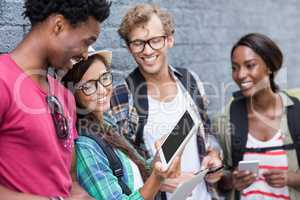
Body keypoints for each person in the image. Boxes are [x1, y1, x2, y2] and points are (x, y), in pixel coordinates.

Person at [0, 0, 111, 199]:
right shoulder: (3, 81)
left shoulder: (64, 95)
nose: (86, 55)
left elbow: (69, 182)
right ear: (59, 26)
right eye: (87, 42)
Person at [111, 4, 223, 200]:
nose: (147, 50)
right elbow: (122, 166)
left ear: (169, 39)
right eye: (138, 43)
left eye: (155, 40)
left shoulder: (190, 81)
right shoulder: (122, 96)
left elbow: (207, 132)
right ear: (129, 48)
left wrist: (214, 155)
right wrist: (158, 180)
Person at [61, 47, 182, 200]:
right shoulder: (85, 146)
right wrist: (157, 178)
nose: (102, 90)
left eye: (104, 78)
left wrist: (163, 155)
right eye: (89, 86)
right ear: (72, 92)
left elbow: (140, 171)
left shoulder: (105, 122)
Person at [215, 33, 300, 199]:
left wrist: (292, 178)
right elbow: (216, 179)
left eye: (250, 65)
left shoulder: (296, 114)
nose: (240, 75)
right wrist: (231, 180)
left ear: (269, 67)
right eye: (235, 67)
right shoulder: (225, 120)